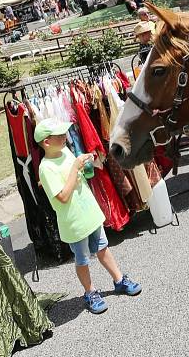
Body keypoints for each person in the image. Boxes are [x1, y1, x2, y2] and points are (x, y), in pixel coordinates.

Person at [35, 118, 141, 314]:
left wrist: (83, 168)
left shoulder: (65, 152)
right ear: (46, 142)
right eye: (59, 136)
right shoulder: (46, 168)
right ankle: (90, 292)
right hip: (74, 221)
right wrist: (75, 168)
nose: (64, 137)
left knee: (102, 248)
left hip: (89, 212)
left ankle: (119, 279)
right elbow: (63, 197)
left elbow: (77, 179)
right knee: (82, 258)